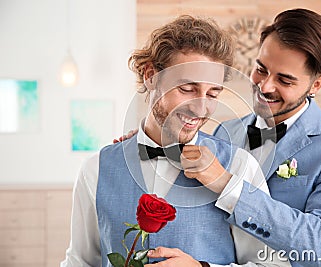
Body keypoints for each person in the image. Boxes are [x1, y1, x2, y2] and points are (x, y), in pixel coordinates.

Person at [116, 8, 321, 266]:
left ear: (316, 85)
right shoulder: (225, 131)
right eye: (261, 69)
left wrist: (226, 182)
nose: (264, 86)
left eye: (285, 80)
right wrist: (152, 137)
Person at [61, 15, 285, 267]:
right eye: (187, 89)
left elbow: (273, 263)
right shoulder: (96, 169)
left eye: (213, 93)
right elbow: (80, 261)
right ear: (151, 76)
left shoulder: (239, 167)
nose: (201, 107)